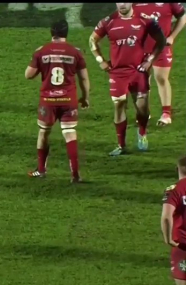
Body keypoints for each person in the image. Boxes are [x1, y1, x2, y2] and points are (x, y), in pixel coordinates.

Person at [89, 3, 166, 156]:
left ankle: (142, 132)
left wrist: (149, 60)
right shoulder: (108, 21)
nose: (122, 4)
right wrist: (100, 60)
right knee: (119, 104)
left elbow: (161, 40)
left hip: (138, 71)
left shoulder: (145, 20)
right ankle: (121, 145)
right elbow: (92, 40)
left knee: (142, 109)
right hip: (117, 73)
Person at [25, 19, 90, 183]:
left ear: (51, 32)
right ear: (66, 33)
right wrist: (85, 97)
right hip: (68, 99)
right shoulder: (75, 52)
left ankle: (41, 170)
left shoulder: (42, 51)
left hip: (48, 100)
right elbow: (84, 78)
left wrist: (41, 65)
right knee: (70, 133)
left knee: (44, 132)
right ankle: (75, 175)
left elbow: (28, 75)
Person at [133, 2, 186, 127]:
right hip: (140, 48)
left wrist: (172, 36)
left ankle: (166, 114)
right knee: (142, 80)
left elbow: (183, 16)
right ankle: (144, 112)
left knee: (161, 78)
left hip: (161, 47)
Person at [161, 155, 186, 285]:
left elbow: (167, 216)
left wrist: (168, 237)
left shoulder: (174, 189)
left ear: (179, 169)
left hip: (183, 248)